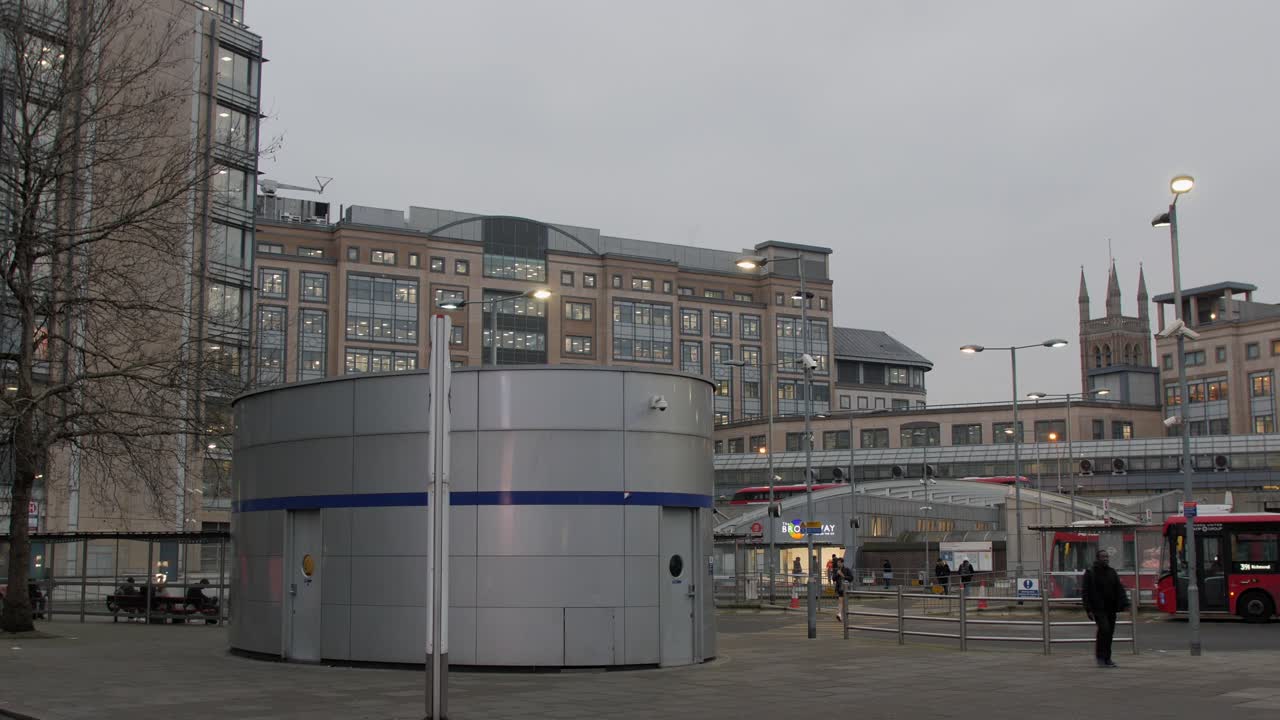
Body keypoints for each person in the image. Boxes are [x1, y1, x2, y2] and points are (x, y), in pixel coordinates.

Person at [1081, 549, 1129, 668]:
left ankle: (1107, 658)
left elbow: (1119, 588)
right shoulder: (1090, 573)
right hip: (1098, 608)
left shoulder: (1112, 572)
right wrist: (1088, 609)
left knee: (1109, 633)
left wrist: (1124, 603)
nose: (1106, 559)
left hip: (1111, 608)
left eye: (1107, 557)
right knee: (1104, 630)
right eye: (1103, 557)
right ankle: (1100, 657)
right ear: (1098, 558)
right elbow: (1085, 593)